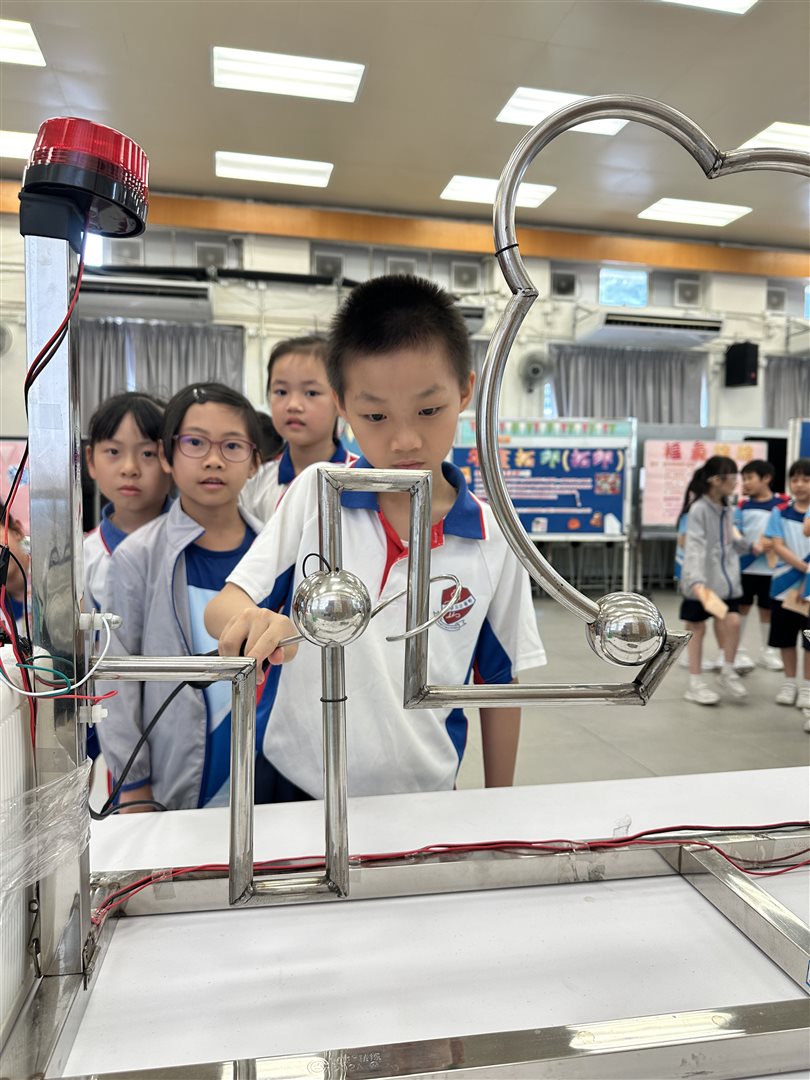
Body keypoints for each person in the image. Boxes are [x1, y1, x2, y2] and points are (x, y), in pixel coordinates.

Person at [205, 275, 547, 802]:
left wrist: (501, 804)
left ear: (465, 391)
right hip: (293, 785)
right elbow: (225, 605)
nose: (405, 439)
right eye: (376, 416)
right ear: (342, 404)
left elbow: (500, 683)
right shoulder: (318, 494)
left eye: (428, 411)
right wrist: (250, 621)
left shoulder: (494, 536)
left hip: (424, 794)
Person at [97, 383, 288, 812]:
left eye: (232, 446)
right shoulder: (137, 557)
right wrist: (133, 784)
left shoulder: (276, 554)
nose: (213, 459)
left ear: (255, 462)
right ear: (167, 456)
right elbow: (116, 676)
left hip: (270, 782)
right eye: (195, 443)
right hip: (171, 783)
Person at [239, 335, 355, 523]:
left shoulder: (360, 478)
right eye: (281, 392)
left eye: (311, 393)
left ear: (340, 402)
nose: (293, 405)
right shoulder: (255, 482)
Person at [83, 392, 172, 612]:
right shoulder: (84, 557)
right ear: (91, 460)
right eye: (113, 451)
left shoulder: (196, 542)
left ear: (172, 459)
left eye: (148, 454)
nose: (130, 468)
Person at [680, 455, 751, 706]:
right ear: (715, 480)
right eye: (731, 477)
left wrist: (749, 546)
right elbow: (695, 547)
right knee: (697, 629)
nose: (735, 482)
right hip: (701, 584)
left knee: (732, 621)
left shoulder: (727, 508)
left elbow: (731, 540)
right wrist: (696, 582)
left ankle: (727, 672)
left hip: (725, 584)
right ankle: (695, 684)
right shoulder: (699, 509)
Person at [762, 458, 810, 722]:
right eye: (795, 479)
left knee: (809, 640)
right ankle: (789, 682)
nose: (799, 484)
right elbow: (777, 546)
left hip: (809, 589)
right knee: (785, 638)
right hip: (784, 585)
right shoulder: (780, 512)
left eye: (806, 479)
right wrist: (804, 569)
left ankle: (807, 687)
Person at [734, 460, 789, 673]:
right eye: (743, 479)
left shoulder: (783, 503)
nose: (745, 483)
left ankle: (768, 652)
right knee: (742, 608)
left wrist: (775, 544)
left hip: (772, 569)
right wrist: (751, 546)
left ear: (766, 478)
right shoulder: (742, 506)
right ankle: (737, 650)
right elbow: (736, 534)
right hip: (746, 568)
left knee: (767, 610)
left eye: (750, 478)